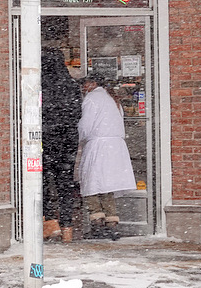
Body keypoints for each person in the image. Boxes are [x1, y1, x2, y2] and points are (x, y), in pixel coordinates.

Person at [77, 75, 136, 240]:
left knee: (92, 185)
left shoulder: (92, 98)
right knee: (107, 187)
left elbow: (86, 125)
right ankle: (112, 224)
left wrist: (77, 137)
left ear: (93, 83)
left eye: (85, 83)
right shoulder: (112, 98)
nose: (83, 87)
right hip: (115, 147)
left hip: (99, 146)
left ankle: (97, 223)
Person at [41, 48, 82, 243]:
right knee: (65, 185)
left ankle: (50, 222)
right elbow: (77, 113)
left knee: (43, 183)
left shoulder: (41, 84)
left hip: (47, 137)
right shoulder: (71, 85)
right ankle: (67, 228)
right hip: (68, 138)